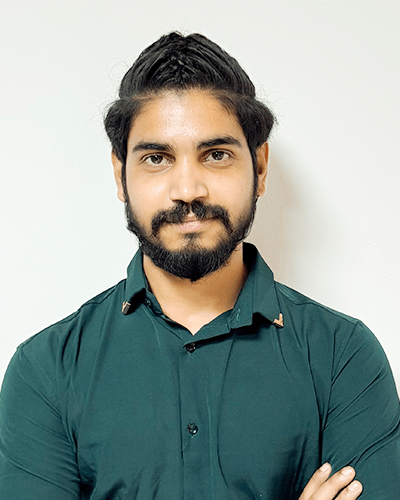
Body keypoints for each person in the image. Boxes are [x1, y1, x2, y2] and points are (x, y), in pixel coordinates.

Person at [0, 32, 399, 500]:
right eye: (157, 158)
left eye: (216, 155)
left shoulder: (343, 357)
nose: (188, 189)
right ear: (120, 174)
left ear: (260, 167)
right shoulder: (47, 370)